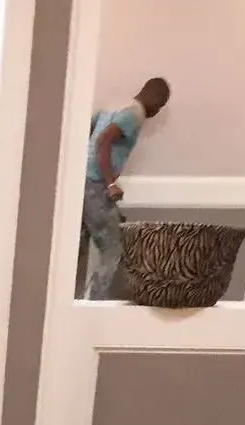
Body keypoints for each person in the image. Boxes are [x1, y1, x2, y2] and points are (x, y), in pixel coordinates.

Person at [83, 78, 170, 301]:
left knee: (78, 247)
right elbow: (103, 141)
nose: (156, 112)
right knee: (115, 246)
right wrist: (110, 183)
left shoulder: (115, 105)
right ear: (156, 98)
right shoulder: (134, 114)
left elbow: (88, 129)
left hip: (81, 182)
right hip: (95, 184)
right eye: (160, 106)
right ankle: (96, 306)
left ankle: (73, 304)